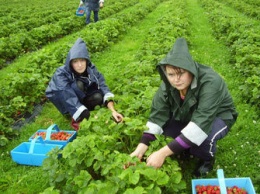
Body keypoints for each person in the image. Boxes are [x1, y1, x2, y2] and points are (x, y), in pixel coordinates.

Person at [130, 37, 238, 177]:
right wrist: (140, 149)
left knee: (204, 138)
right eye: (171, 74)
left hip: (219, 115)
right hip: (190, 113)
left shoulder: (211, 82)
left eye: (181, 73)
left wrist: (162, 153)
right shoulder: (168, 85)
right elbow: (157, 116)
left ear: (191, 70)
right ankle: (185, 148)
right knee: (167, 131)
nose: (176, 79)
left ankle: (206, 160)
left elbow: (201, 123)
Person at [45, 38, 123, 131]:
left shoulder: (91, 68)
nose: (80, 65)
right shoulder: (61, 74)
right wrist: (92, 119)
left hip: (79, 92)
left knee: (98, 97)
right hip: (61, 98)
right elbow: (67, 96)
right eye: (75, 61)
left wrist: (113, 111)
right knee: (78, 85)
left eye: (82, 60)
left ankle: (82, 109)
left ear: (86, 60)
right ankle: (76, 116)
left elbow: (102, 86)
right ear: (70, 63)